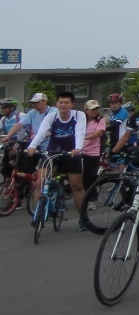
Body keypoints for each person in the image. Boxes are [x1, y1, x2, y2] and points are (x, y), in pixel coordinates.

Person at [26, 91, 88, 229]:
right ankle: (39, 215)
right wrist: (32, 146)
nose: (63, 105)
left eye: (66, 102)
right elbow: (41, 132)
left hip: (71, 153)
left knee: (76, 187)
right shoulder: (51, 117)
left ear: (72, 104)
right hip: (52, 151)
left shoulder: (79, 115)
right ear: (56, 104)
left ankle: (84, 218)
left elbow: (80, 132)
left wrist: (77, 148)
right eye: (61, 102)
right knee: (39, 183)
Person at [80, 99, 107, 199]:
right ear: (86, 110)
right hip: (80, 150)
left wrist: (83, 137)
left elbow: (97, 133)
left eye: (96, 109)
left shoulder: (101, 120)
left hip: (93, 152)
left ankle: (91, 198)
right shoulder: (81, 121)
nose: (95, 111)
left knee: (90, 175)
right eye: (92, 109)